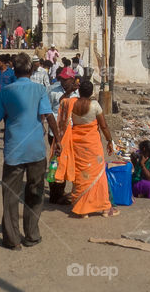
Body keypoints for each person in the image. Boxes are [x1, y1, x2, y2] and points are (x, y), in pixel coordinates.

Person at [0, 52, 60, 249]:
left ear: (14, 69)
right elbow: (49, 116)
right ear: (30, 69)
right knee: (35, 193)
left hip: (14, 150)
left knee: (10, 195)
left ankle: (12, 239)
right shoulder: (39, 90)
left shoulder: (6, 92)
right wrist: (58, 139)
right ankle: (32, 235)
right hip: (36, 149)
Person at [54, 79, 118, 217]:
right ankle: (105, 209)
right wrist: (109, 141)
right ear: (91, 92)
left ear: (79, 90)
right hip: (93, 146)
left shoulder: (71, 103)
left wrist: (70, 91)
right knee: (98, 175)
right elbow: (104, 126)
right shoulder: (95, 105)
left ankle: (83, 210)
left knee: (81, 175)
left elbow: (61, 101)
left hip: (77, 145)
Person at [48, 67, 79, 204]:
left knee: (66, 163)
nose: (62, 81)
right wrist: (68, 92)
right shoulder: (53, 90)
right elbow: (48, 110)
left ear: (72, 79)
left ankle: (60, 191)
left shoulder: (78, 92)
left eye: (65, 79)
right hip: (55, 133)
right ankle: (55, 195)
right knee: (56, 163)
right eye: (61, 78)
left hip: (71, 133)